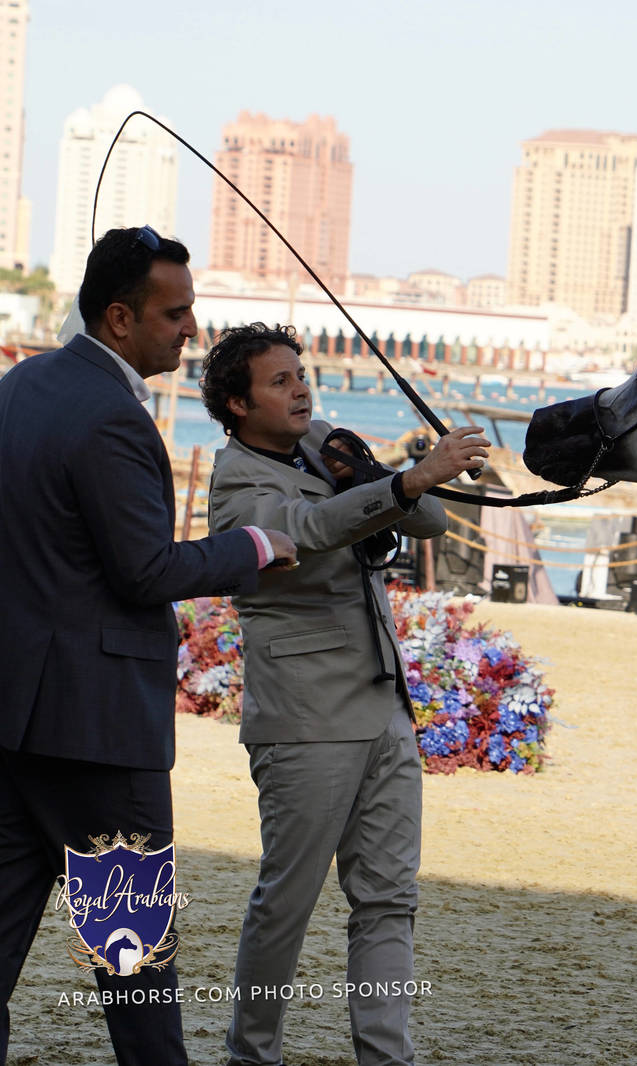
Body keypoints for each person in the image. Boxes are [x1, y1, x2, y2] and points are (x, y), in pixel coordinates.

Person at [0, 227, 296, 1066]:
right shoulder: (113, 419)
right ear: (120, 318)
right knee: (136, 973)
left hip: (14, 722)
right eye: (175, 313)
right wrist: (254, 546)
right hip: (98, 735)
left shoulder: (19, 387)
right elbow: (145, 571)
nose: (192, 329)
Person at [200, 323, 489, 1066]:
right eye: (279, 381)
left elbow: (430, 520)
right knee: (287, 903)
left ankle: (386, 1058)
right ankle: (252, 1055)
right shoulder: (236, 482)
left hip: (383, 705)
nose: (301, 390)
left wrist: (388, 471)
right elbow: (307, 529)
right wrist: (400, 482)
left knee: (390, 899)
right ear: (237, 404)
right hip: (305, 719)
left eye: (301, 375)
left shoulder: (320, 442)